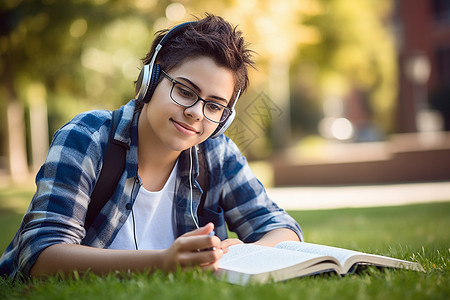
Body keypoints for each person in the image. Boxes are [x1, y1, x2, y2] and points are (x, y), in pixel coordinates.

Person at [0, 14, 302, 279]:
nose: (197, 113)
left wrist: (249, 250)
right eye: (185, 91)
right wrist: (161, 262)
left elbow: (283, 229)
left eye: (214, 106)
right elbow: (41, 256)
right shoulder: (87, 136)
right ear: (150, 80)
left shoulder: (217, 154)